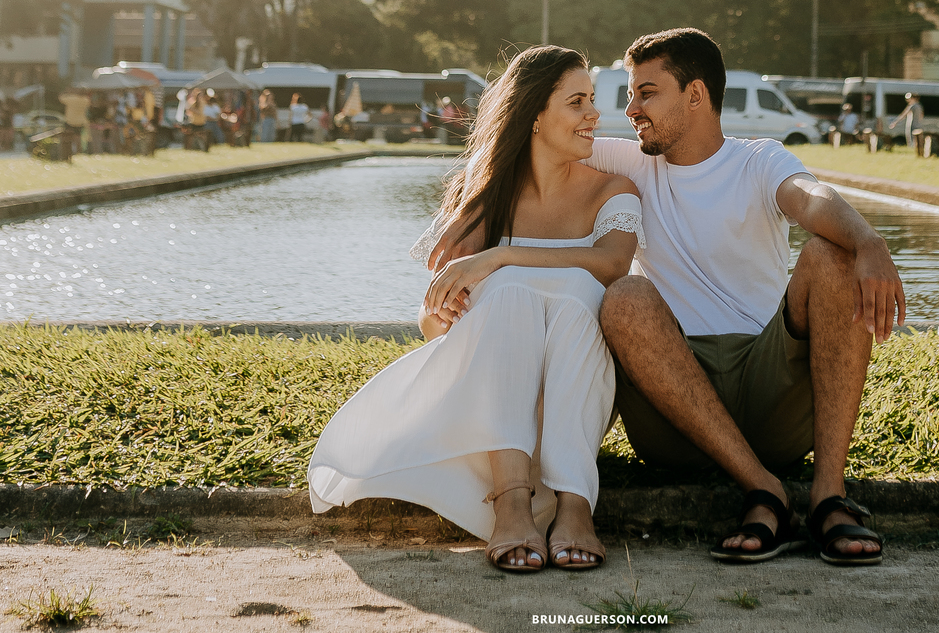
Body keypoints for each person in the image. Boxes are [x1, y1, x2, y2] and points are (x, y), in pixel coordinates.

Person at [429, 29, 905, 568]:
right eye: (630, 95)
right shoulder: (631, 163)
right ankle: (764, 491)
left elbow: (811, 198)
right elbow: (528, 142)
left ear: (695, 95)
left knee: (831, 255)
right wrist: (472, 214)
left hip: (767, 384)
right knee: (627, 296)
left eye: (646, 93)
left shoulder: (758, 160)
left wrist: (868, 241)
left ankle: (828, 497)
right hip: (673, 409)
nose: (628, 110)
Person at [309, 45, 643, 574]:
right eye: (576, 102)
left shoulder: (612, 190)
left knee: (578, 295)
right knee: (507, 294)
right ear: (534, 116)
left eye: (592, 101)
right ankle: (510, 505)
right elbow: (432, 322)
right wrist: (453, 309)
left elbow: (613, 265)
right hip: (493, 405)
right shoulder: (486, 200)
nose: (594, 115)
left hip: (571, 397)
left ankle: (576, 506)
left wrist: (502, 256)